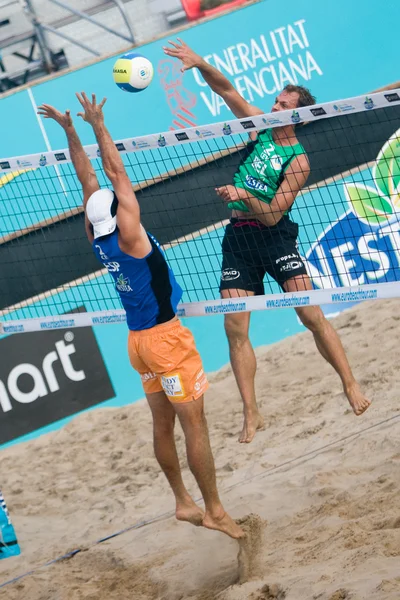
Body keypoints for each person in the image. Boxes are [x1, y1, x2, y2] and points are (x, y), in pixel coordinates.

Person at [37, 94, 244, 540]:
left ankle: (182, 501)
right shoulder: (130, 232)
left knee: (161, 424)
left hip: (138, 344)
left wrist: (69, 131)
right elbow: (112, 171)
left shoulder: (98, 234)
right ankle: (213, 508)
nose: (112, 195)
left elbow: (87, 178)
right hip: (166, 340)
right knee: (195, 424)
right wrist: (96, 124)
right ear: (118, 212)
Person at [163, 40, 371, 443]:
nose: (273, 108)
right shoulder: (258, 127)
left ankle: (349, 384)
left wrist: (242, 195)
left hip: (275, 238)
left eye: (281, 105)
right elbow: (226, 90)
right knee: (235, 328)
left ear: (298, 115)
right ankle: (251, 410)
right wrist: (201, 62)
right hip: (239, 239)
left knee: (312, 316)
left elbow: (274, 212)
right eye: (274, 102)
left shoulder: (299, 161)